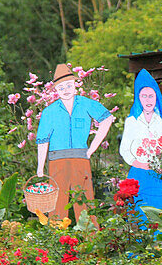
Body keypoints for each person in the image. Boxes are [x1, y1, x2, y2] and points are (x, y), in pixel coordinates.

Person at [35, 63, 115, 223]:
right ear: (56, 90)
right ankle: (57, 240)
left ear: (75, 85)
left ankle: (90, 240)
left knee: (84, 200)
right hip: (57, 161)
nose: (65, 90)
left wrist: (93, 147)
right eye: (61, 87)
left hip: (81, 159)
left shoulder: (85, 104)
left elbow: (107, 118)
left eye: (69, 85)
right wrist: (40, 166)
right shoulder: (49, 112)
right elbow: (43, 141)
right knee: (58, 203)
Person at [120, 69, 162, 223]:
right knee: (142, 215)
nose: (148, 100)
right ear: (138, 98)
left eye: (151, 95)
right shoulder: (132, 122)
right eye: (144, 96)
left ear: (157, 97)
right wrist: (142, 165)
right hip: (139, 176)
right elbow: (125, 150)